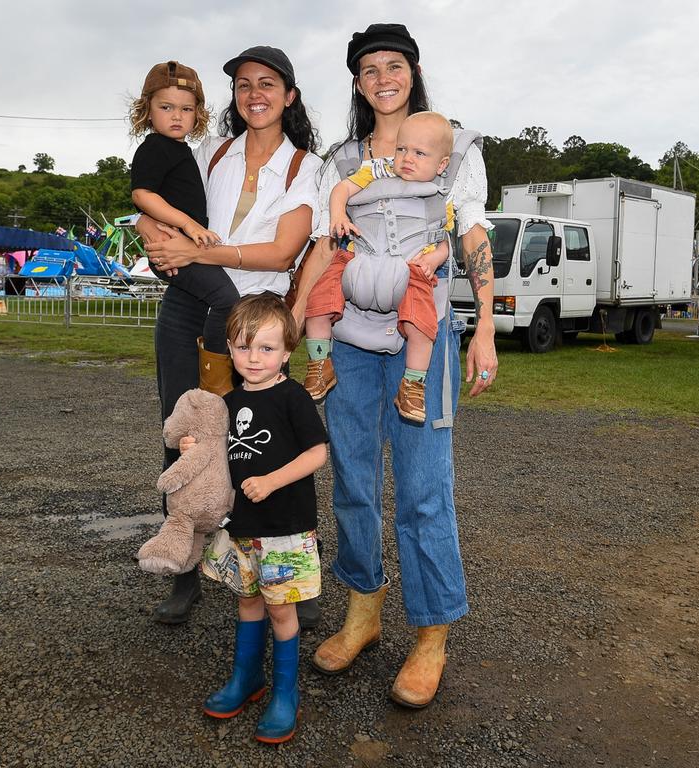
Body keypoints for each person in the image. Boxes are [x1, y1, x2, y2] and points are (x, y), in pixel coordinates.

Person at [289, 23, 499, 709]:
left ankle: (432, 633)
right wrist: (293, 325)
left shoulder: (454, 147)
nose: (383, 77)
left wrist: (487, 328)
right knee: (351, 478)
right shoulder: (342, 160)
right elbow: (326, 243)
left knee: (422, 489)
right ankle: (364, 609)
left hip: (422, 337)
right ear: (357, 81)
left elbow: (471, 233)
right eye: (370, 68)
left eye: (395, 65)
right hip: (348, 336)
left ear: (412, 71)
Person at [136, 46, 322, 626]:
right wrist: (157, 241)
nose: (254, 94)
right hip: (188, 306)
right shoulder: (209, 153)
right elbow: (154, 209)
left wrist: (196, 248)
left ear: (289, 95)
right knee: (184, 432)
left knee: (269, 442)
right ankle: (185, 565)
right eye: (243, 85)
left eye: (267, 84)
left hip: (255, 319)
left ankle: (289, 579)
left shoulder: (305, 167)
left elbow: (284, 249)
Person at [190, 293, 327, 744]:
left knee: (281, 610)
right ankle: (246, 679)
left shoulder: (293, 398)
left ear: (288, 351)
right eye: (244, 346)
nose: (254, 357)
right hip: (240, 530)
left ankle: (286, 695)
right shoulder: (226, 401)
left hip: (283, 530)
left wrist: (271, 481)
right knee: (247, 602)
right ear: (229, 348)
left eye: (266, 348)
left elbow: (317, 453)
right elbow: (219, 458)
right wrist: (198, 451)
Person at [303, 110, 457, 422]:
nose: (406, 158)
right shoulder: (375, 170)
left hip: (410, 267)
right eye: (402, 149)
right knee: (319, 299)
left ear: (441, 165)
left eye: (419, 153)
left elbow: (443, 240)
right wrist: (339, 216)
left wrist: (434, 259)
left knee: (423, 325)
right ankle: (319, 362)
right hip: (360, 257)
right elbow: (342, 189)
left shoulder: (440, 198)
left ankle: (413, 384)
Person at [129, 61, 239, 394]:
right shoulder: (155, 147)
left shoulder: (183, 150)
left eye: (186, 109)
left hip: (184, 248)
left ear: (197, 114)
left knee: (220, 300)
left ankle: (209, 368)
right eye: (166, 107)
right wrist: (188, 225)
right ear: (148, 109)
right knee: (227, 299)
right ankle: (216, 369)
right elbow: (142, 194)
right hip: (177, 247)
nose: (177, 116)